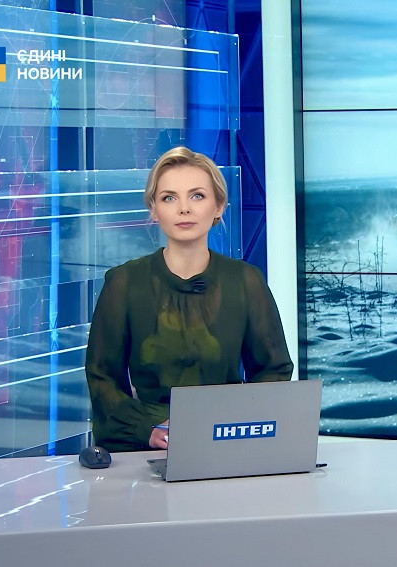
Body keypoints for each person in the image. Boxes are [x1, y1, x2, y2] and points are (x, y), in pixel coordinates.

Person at [85, 147, 293, 452]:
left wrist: (235, 424)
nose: (184, 209)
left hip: (227, 442)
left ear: (219, 206)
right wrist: (147, 429)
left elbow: (273, 371)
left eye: (197, 196)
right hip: (148, 447)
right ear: (154, 210)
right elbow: (102, 377)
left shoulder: (245, 280)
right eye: (169, 198)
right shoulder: (124, 282)